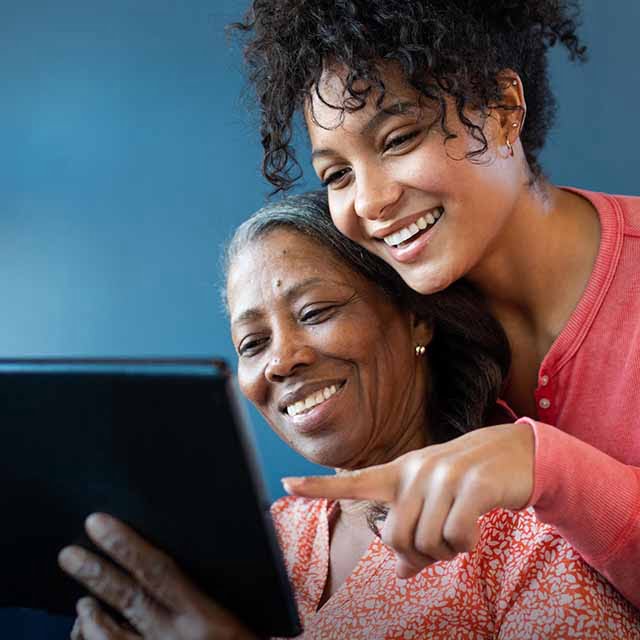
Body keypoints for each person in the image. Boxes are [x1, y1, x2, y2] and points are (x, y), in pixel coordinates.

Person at [59, 192, 640, 639]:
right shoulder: (263, 542)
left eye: (315, 311)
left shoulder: (531, 535)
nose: (283, 359)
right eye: (252, 343)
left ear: (417, 317)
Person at [231, 0, 640, 607]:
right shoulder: (398, 339)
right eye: (337, 174)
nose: (369, 201)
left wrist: (542, 465)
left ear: (503, 110)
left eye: (398, 138)